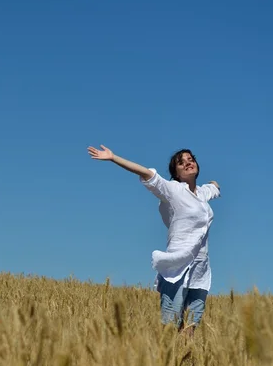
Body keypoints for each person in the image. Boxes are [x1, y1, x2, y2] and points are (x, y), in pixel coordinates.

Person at [87, 144, 221, 336]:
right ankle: (164, 364)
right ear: (176, 173)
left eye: (190, 159)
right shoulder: (172, 190)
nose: (188, 163)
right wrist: (113, 157)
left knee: (190, 329)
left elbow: (213, 187)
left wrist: (215, 184)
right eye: (181, 163)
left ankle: (183, 365)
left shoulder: (202, 193)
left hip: (200, 271)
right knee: (170, 327)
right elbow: (145, 173)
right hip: (178, 267)